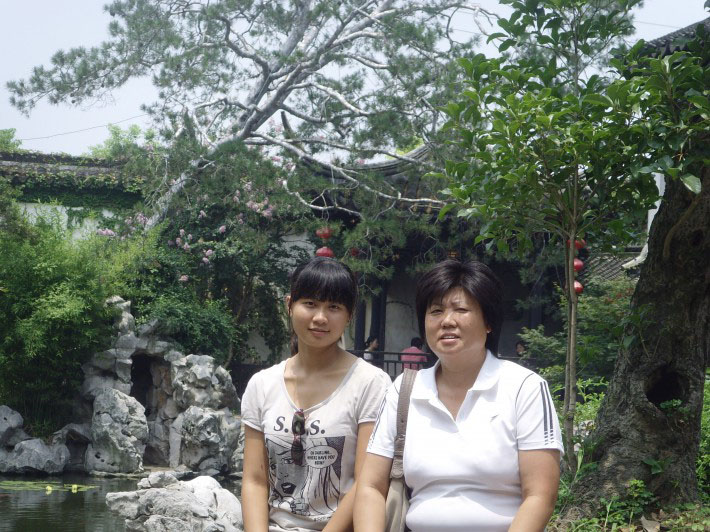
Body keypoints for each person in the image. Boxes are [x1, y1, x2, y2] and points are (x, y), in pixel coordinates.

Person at [354, 260, 562, 532]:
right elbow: (370, 485)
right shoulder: (405, 389)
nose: (447, 321)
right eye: (435, 311)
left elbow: (540, 496)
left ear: (488, 321)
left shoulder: (525, 387)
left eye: (461, 310)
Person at [241, 257, 391, 532]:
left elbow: (366, 481)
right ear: (289, 305)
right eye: (310, 303)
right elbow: (255, 480)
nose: (320, 317)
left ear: (349, 315)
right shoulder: (262, 385)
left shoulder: (370, 383)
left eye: (334, 307)